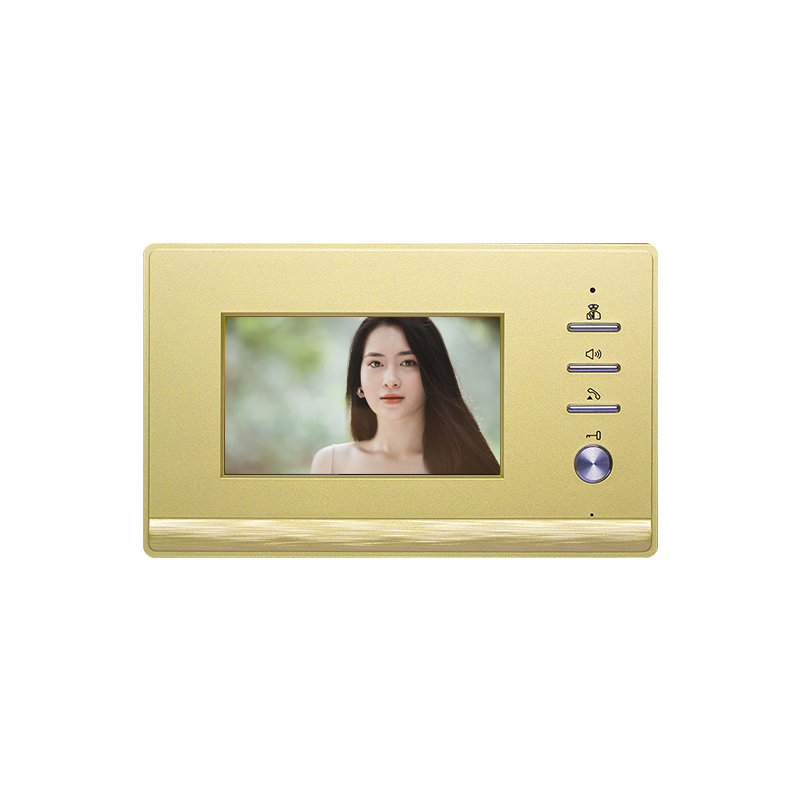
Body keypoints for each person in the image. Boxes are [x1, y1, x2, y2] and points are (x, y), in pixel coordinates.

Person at [310, 317, 500, 475]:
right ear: (358, 379)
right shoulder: (330, 464)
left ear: (432, 374)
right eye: (375, 363)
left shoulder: (469, 468)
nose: (390, 380)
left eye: (407, 362)